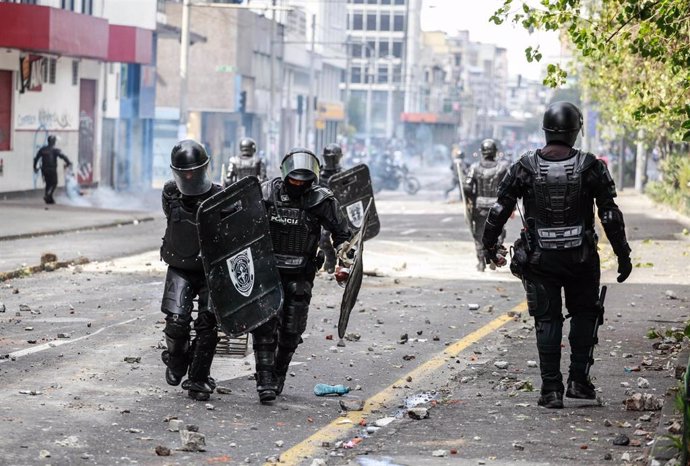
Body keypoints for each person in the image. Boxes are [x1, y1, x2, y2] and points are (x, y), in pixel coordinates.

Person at [481, 101, 632, 409]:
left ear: (546, 130)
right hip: (582, 258)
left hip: (539, 260)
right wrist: (623, 254)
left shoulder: (524, 166)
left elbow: (499, 210)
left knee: (547, 320)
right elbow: (610, 215)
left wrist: (488, 246)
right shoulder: (591, 166)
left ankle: (551, 389)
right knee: (585, 315)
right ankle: (579, 382)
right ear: (576, 130)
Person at [250, 148, 351, 404]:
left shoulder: (321, 199)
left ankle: (278, 374)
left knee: (292, 329)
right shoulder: (265, 193)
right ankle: (264, 380)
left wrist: (345, 258)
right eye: (294, 179)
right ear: (285, 176)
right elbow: (244, 224)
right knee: (264, 327)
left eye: (304, 180)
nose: (298, 184)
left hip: (300, 272)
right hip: (268, 270)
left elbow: (342, 233)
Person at [159, 139, 223, 402]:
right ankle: (177, 361)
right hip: (181, 265)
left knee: (208, 326)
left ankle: (197, 377)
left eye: (192, 172)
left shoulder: (220, 195)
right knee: (176, 324)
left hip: (211, 269)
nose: (188, 177)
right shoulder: (171, 193)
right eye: (183, 172)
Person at [462, 139, 510, 271]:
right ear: (495, 152)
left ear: (482, 152)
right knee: (497, 233)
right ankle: (494, 258)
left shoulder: (474, 167)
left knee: (479, 235)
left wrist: (471, 199)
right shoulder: (502, 168)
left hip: (480, 207)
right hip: (497, 207)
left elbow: (467, 186)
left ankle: (481, 262)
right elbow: (509, 187)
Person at [318, 143, 344, 273]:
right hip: (324, 212)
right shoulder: (318, 174)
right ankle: (330, 259)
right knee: (322, 238)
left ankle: (343, 264)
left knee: (345, 241)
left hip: (340, 213)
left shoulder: (343, 175)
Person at [33, 135, 72, 204]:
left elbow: (36, 158)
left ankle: (49, 198)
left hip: (44, 169)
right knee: (54, 183)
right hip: (52, 169)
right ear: (54, 142)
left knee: (48, 183)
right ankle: (48, 195)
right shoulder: (55, 150)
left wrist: (35, 167)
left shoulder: (42, 149)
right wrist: (68, 162)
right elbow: (63, 156)